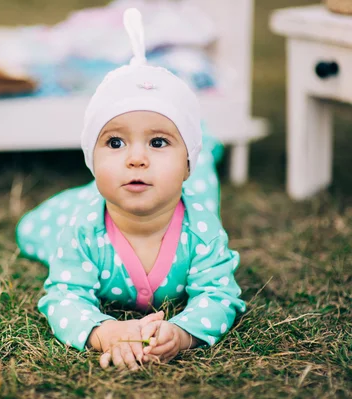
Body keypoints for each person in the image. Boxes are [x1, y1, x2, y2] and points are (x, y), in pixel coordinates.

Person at [16, 8, 245, 370]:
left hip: (191, 188)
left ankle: (206, 147)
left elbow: (219, 294)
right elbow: (63, 294)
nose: (136, 158)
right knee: (32, 230)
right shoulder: (82, 228)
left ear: (187, 161)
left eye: (157, 142)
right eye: (116, 143)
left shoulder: (202, 230)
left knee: (205, 189)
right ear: (91, 159)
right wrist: (103, 331)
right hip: (82, 206)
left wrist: (183, 332)